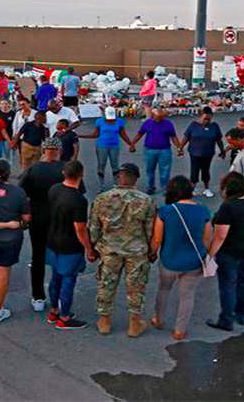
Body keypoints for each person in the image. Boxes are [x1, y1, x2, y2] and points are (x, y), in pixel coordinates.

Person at [89, 163, 156, 336]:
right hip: (137, 250)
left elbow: (94, 227)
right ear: (135, 178)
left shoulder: (102, 198)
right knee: (136, 287)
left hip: (109, 249)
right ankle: (134, 324)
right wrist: (151, 250)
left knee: (106, 284)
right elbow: (150, 229)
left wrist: (93, 248)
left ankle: (104, 321)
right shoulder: (145, 200)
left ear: (118, 177)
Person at [151, 175, 212, 341]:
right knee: (187, 296)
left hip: (169, 260)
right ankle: (180, 330)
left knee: (163, 290)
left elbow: (157, 239)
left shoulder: (166, 211)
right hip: (193, 261)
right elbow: (206, 239)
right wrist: (203, 254)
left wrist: (152, 253)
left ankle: (159, 319)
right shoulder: (203, 211)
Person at [206, 172, 244, 331]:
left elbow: (220, 236)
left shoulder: (228, 207)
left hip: (230, 252)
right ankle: (242, 314)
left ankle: (226, 319)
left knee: (227, 285)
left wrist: (209, 256)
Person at [20, 137, 68, 312]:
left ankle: (38, 297)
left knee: (38, 257)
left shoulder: (33, 169)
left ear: (43, 150)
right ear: (59, 151)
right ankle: (61, 297)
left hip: (38, 218)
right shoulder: (66, 169)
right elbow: (78, 191)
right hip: (61, 219)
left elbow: (22, 193)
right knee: (61, 257)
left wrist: (25, 215)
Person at [46, 161, 95, 330]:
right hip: (70, 245)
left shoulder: (54, 189)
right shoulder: (78, 200)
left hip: (53, 240)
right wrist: (89, 248)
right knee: (68, 280)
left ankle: (54, 311)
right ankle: (65, 317)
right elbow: (80, 228)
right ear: (80, 175)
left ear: (64, 173)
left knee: (55, 277)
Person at [130, 107, 181, 195]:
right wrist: (132, 144)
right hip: (149, 150)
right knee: (149, 170)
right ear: (153, 116)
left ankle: (164, 189)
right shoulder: (148, 123)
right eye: (157, 117)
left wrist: (179, 147)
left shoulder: (168, 124)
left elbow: (173, 136)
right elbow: (140, 133)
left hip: (164, 150)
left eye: (161, 118)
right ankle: (150, 187)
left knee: (165, 171)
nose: (159, 119)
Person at [78, 106, 129, 192]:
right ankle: (101, 185)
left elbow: (123, 134)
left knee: (115, 165)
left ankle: (115, 184)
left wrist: (130, 144)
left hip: (114, 146)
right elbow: (95, 135)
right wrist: (81, 135)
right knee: (101, 164)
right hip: (101, 146)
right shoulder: (99, 121)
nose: (110, 120)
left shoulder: (120, 122)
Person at [183, 107, 225, 198]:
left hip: (208, 153)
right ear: (201, 116)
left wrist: (222, 151)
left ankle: (207, 189)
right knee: (194, 171)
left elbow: (219, 140)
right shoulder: (193, 125)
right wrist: (180, 148)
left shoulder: (214, 126)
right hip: (194, 153)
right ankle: (192, 189)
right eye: (205, 119)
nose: (207, 121)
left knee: (206, 170)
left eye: (209, 119)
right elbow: (186, 137)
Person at [13, 100, 47, 171]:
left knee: (36, 163)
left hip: (37, 147)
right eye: (43, 118)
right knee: (25, 162)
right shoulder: (28, 125)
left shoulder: (43, 128)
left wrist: (45, 148)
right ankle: (24, 175)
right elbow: (19, 133)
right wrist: (15, 142)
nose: (45, 119)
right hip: (26, 145)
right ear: (38, 118)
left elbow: (44, 138)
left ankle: (33, 175)